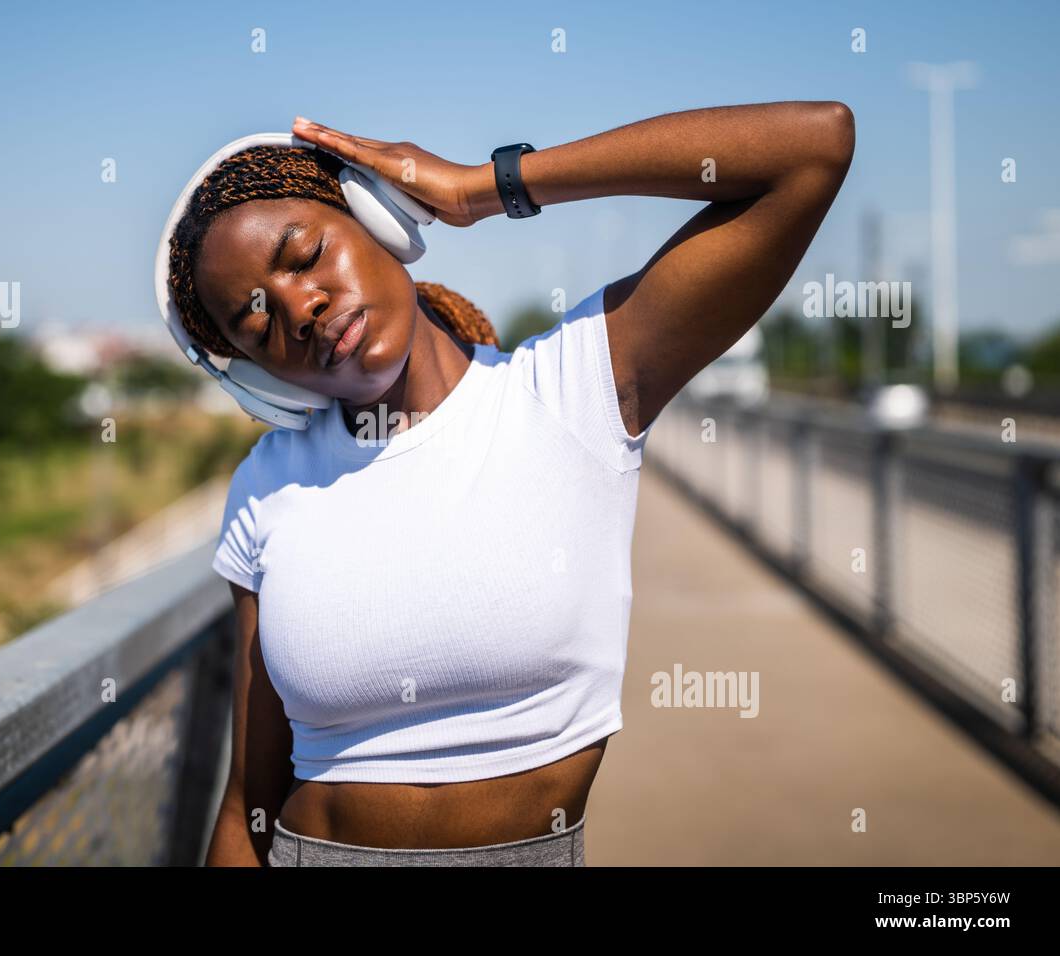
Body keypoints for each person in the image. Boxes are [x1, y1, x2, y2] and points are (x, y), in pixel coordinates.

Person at [169, 104, 855, 866]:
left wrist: (483, 187)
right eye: (257, 326)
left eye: (305, 255)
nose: (299, 308)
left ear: (378, 217)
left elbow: (812, 147)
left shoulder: (574, 390)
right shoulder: (267, 487)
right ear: (264, 381)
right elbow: (248, 805)